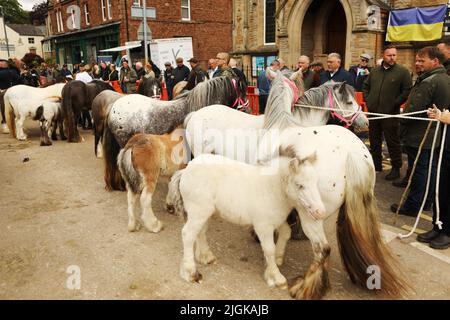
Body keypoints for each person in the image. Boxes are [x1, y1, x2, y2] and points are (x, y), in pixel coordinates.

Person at [390, 46, 450, 218]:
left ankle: (413, 205)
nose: (417, 63)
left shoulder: (428, 82)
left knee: (419, 170)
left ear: (435, 61)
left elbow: (413, 111)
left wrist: (400, 119)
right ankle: (427, 201)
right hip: (434, 134)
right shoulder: (445, 78)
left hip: (421, 135)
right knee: (429, 169)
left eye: (421, 60)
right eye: (417, 60)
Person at [363, 45, 412, 180]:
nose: (392, 57)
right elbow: (366, 86)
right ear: (383, 55)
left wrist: (394, 104)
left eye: (394, 55)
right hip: (374, 112)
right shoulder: (375, 71)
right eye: (389, 55)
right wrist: (369, 101)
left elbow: (407, 90)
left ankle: (396, 167)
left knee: (392, 141)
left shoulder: (402, 72)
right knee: (374, 140)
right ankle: (376, 165)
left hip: (390, 113)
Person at [421, 106, 450, 249]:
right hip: (446, 150)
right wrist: (439, 114)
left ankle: (448, 232)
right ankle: (438, 226)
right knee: (441, 191)